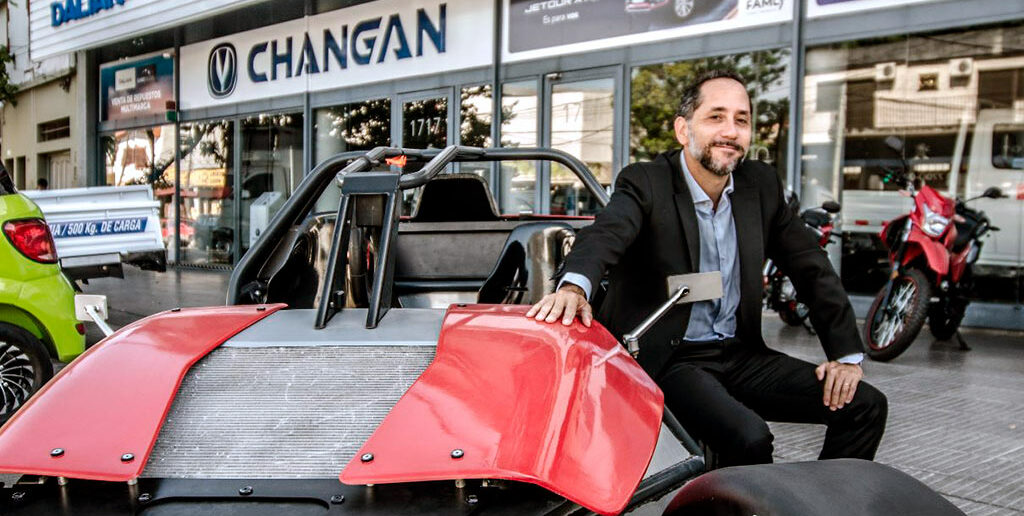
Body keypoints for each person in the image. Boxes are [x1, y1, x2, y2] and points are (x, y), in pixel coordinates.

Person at [526, 69, 887, 467]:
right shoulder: (647, 181)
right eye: (716, 117)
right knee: (749, 438)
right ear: (683, 129)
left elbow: (810, 267)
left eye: (741, 120)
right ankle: (739, 500)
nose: (730, 131)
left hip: (740, 353)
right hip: (671, 359)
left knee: (865, 405)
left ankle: (824, 497)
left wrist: (845, 356)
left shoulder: (760, 185)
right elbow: (606, 233)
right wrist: (574, 287)